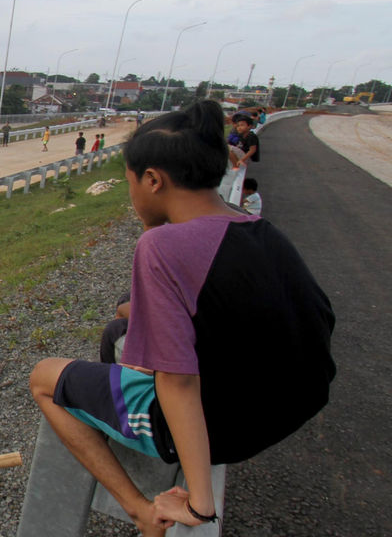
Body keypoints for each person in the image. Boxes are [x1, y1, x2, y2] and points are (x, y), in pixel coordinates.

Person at [29, 100, 335, 536]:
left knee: (43, 377)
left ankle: (139, 508)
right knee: (120, 330)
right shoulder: (259, 228)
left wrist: (199, 504)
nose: (130, 192)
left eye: (129, 182)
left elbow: (179, 382)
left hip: (231, 429)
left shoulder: (162, 247)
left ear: (153, 180)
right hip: (290, 406)